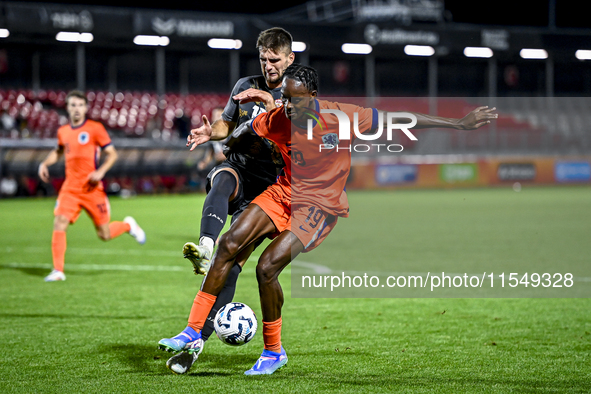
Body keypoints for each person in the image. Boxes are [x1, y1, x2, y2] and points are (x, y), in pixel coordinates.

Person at [158, 64, 498, 375]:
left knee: (266, 268)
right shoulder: (279, 118)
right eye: (286, 99)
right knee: (229, 243)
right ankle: (191, 329)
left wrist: (457, 124)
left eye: (297, 100)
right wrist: (221, 138)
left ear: (315, 98)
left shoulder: (343, 117)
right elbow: (248, 129)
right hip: (284, 193)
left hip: (320, 207)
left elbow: (400, 118)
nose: (289, 106)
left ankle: (273, 352)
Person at [160, 27, 295, 374]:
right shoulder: (244, 86)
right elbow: (226, 124)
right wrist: (211, 132)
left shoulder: (299, 93)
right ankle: (205, 244)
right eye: (264, 59)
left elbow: (297, 129)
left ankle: (198, 339)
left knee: (234, 262)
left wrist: (272, 105)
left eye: (274, 60)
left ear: (289, 59)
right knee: (221, 179)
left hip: (272, 187)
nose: (268, 66)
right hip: (241, 168)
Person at [38, 90, 146, 282]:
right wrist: (45, 163)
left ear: (86, 108)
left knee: (104, 234)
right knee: (59, 221)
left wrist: (101, 171)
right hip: (70, 189)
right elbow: (58, 150)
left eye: (80, 105)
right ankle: (58, 270)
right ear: (68, 108)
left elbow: (112, 154)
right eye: (73, 105)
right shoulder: (63, 131)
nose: (76, 109)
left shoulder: (95, 128)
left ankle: (128, 225)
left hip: (92, 189)